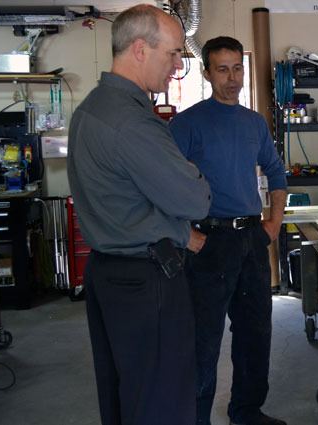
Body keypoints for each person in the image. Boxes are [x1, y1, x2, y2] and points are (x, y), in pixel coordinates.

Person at [67, 5, 211, 425]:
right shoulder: (132, 123)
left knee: (124, 393)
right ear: (139, 49)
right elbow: (194, 199)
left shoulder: (90, 110)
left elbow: (121, 203)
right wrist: (192, 178)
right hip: (145, 283)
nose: (176, 67)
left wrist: (175, 228)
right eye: (172, 55)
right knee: (162, 401)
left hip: (108, 275)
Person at [169, 36, 288, 425]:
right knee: (203, 340)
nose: (232, 78)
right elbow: (164, 182)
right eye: (222, 69)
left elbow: (276, 172)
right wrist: (185, 232)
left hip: (252, 239)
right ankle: (195, 418)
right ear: (206, 73)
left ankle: (247, 411)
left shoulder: (254, 123)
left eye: (238, 68)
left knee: (255, 333)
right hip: (209, 243)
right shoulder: (187, 124)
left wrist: (273, 223)